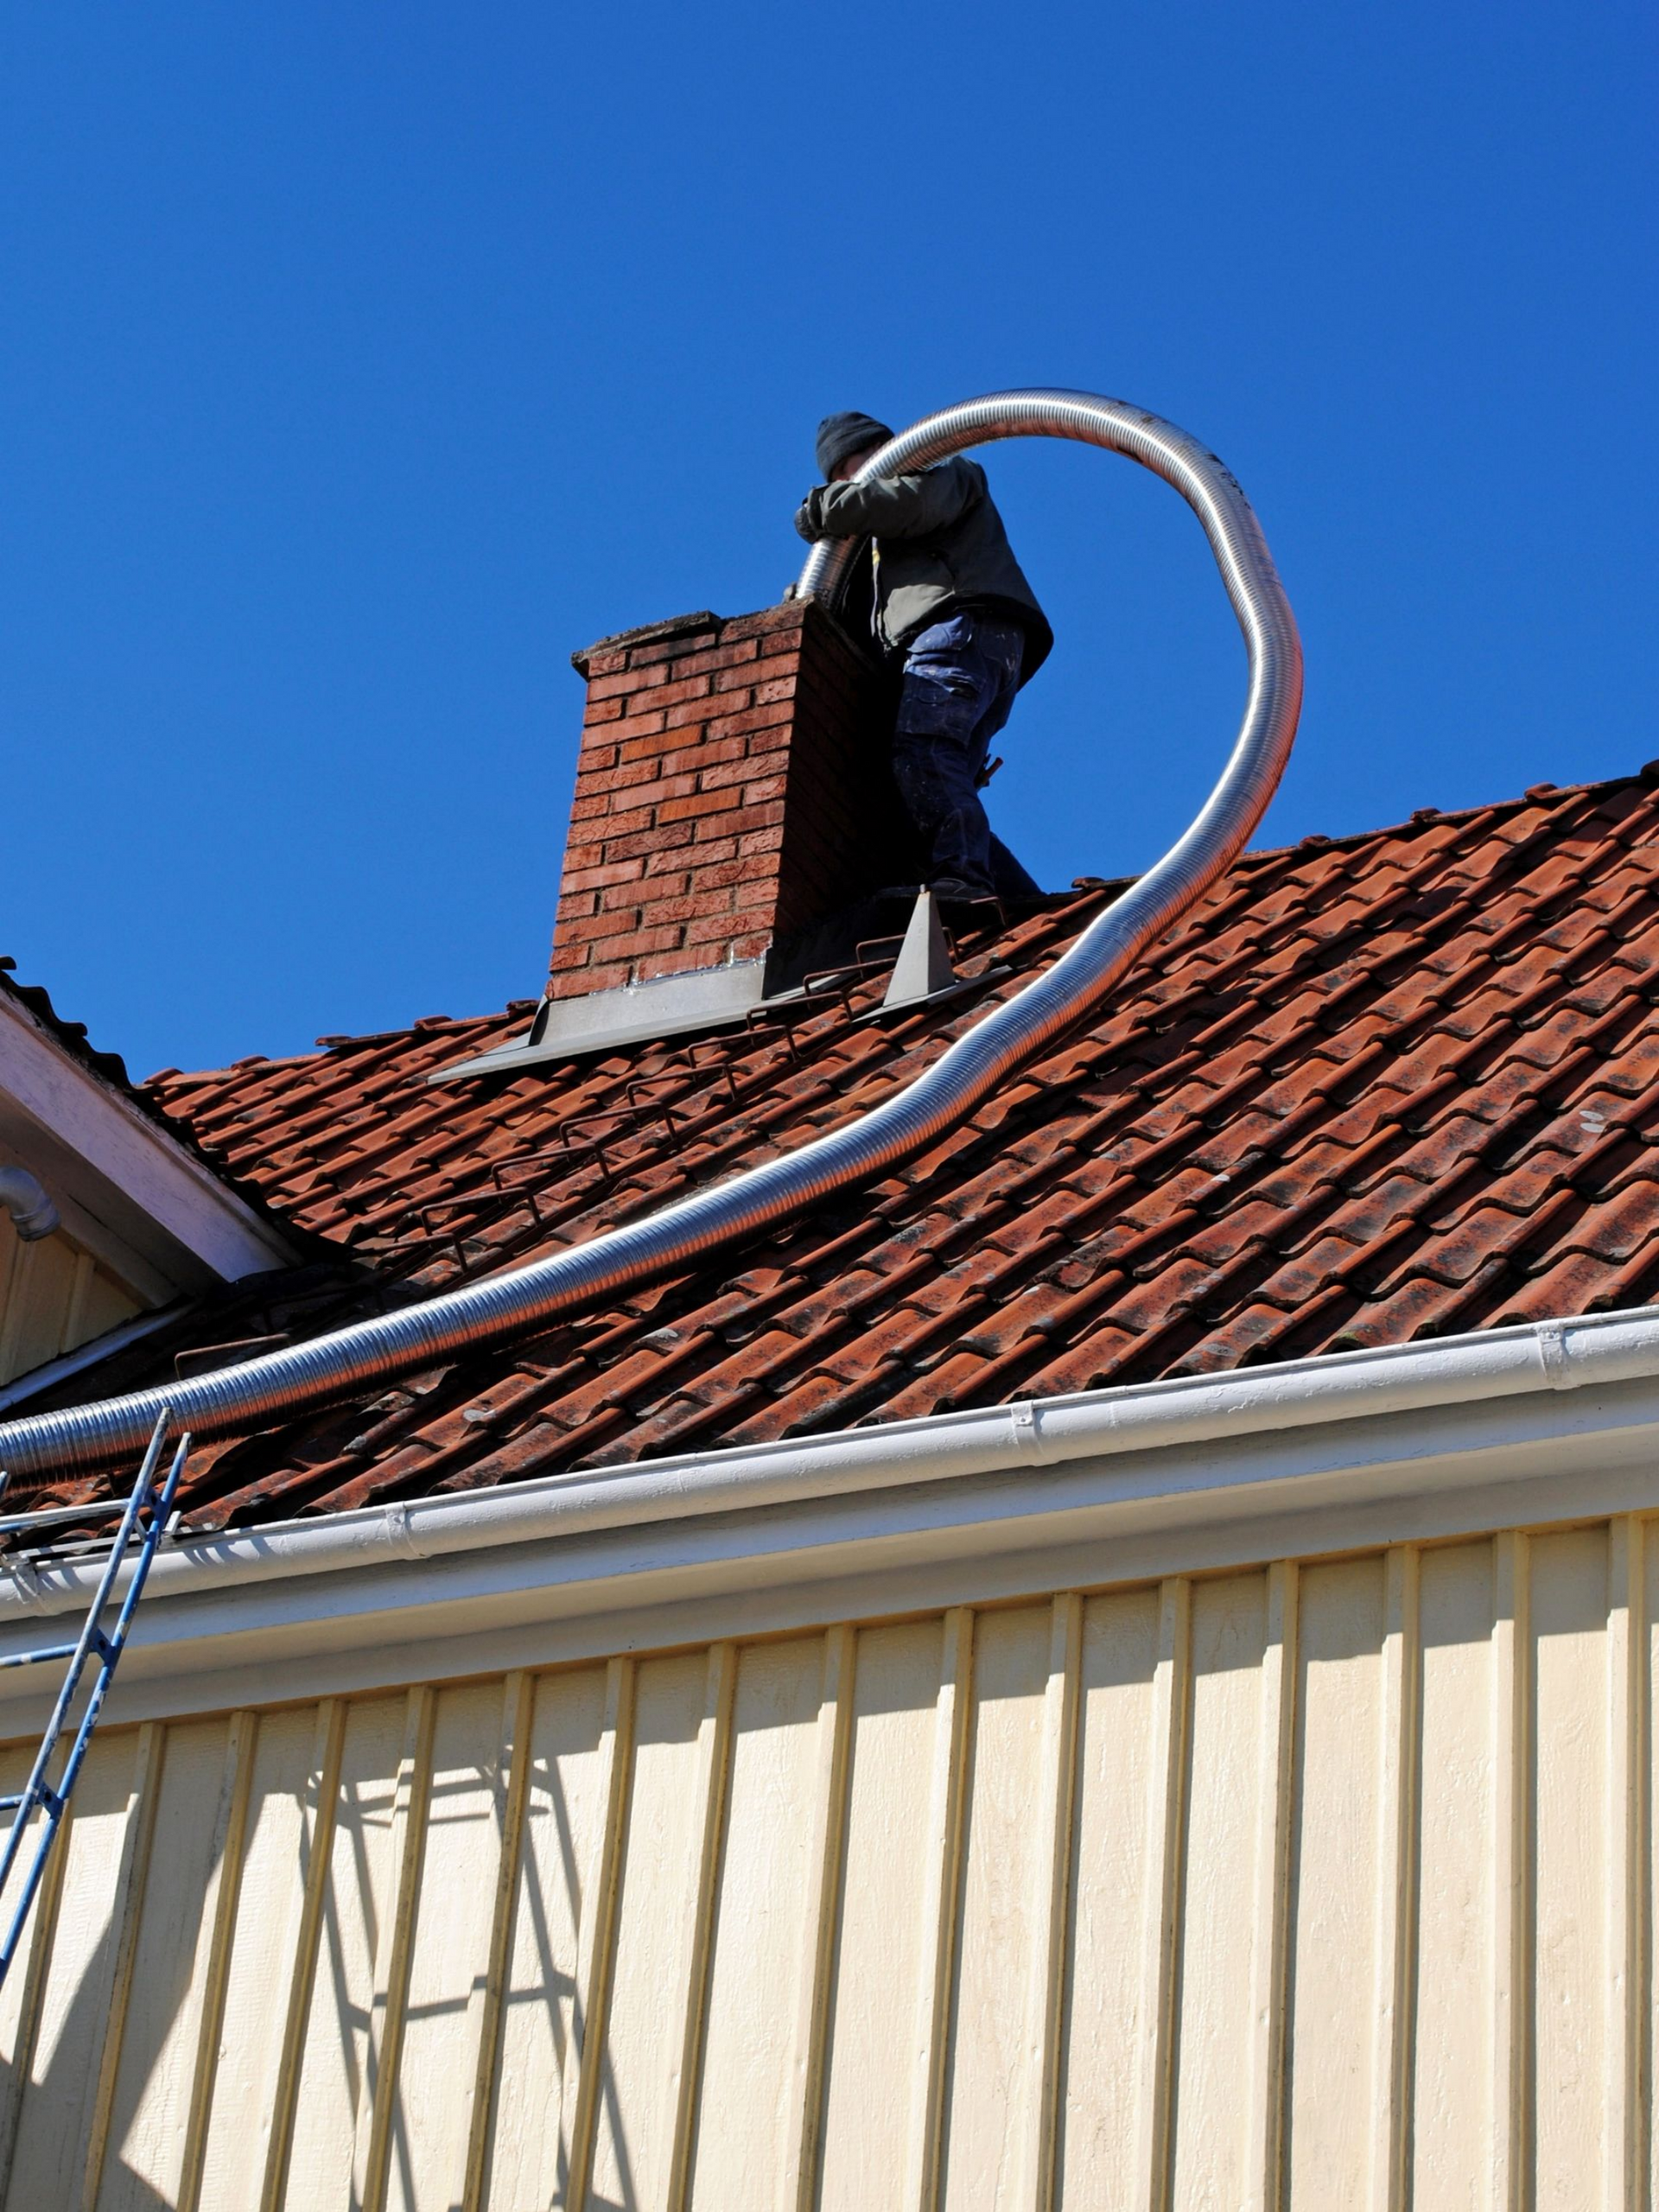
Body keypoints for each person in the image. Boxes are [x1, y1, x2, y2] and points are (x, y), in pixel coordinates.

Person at [795, 410, 1053, 907]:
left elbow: (908, 505)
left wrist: (819, 508)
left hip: (962, 628)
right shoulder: (878, 547)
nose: (854, 483)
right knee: (934, 775)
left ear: (886, 452)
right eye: (840, 479)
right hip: (971, 643)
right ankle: (1021, 906)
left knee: (926, 753)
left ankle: (964, 880)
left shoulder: (943, 474)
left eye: (858, 468)